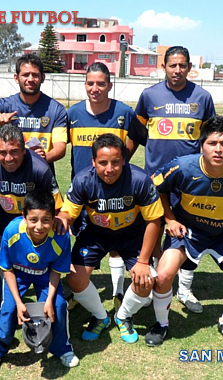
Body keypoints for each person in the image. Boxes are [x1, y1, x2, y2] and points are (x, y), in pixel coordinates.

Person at [146, 115, 223, 348]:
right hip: (188, 231)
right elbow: (157, 186)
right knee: (163, 276)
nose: (218, 149)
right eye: (212, 143)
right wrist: (170, 219)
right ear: (202, 145)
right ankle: (161, 323)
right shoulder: (182, 166)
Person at [56, 134, 164, 343]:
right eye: (103, 163)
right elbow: (68, 213)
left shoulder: (139, 179)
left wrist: (143, 261)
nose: (109, 169)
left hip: (132, 234)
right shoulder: (83, 180)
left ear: (123, 160)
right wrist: (62, 219)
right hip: (95, 234)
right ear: (93, 161)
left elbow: (154, 221)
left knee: (145, 281)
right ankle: (100, 317)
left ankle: (123, 316)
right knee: (75, 279)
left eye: (115, 162)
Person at [135, 46, 216, 314]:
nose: (177, 70)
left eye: (182, 65)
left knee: (189, 232)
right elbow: (137, 133)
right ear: (164, 67)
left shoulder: (203, 97)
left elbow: (210, 138)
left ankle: (185, 288)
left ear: (189, 67)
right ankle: (154, 279)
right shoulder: (149, 96)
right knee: (154, 228)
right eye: (172, 65)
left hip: (190, 181)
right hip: (155, 180)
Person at [67, 62, 148, 309]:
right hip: (85, 192)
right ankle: (79, 290)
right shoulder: (73, 113)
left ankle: (118, 291)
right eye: (91, 83)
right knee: (86, 239)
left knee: (116, 243)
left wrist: (124, 159)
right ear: (85, 85)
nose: (95, 88)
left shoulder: (123, 112)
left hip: (118, 187)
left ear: (109, 85)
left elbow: (141, 137)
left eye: (101, 83)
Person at [0, 190, 78, 373]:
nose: (39, 226)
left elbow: (56, 271)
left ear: (54, 218)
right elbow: (7, 269)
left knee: (58, 306)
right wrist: (19, 303)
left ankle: (62, 348)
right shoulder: (12, 231)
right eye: (33, 220)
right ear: (24, 217)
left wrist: (49, 300)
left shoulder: (61, 236)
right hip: (18, 274)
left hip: (45, 274)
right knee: (9, 308)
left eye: (46, 220)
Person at [0, 124, 63, 312]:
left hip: (35, 225)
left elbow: (56, 207)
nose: (9, 158)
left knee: (39, 265)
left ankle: (49, 299)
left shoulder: (40, 168)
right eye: (2, 152)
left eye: (14, 151)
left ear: (23, 150)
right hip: (3, 223)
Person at [0, 54, 67, 173]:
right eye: (25, 75)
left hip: (41, 174)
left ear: (42, 78)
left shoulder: (56, 109)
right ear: (16, 78)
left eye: (35, 75)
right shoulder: (5, 105)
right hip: (10, 174)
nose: (30, 79)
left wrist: (44, 157)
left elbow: (60, 148)